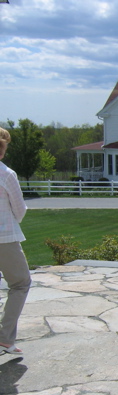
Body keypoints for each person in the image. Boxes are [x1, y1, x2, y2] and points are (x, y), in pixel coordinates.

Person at [0, 127, 31, 355]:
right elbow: (19, 208)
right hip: (4, 238)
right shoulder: (6, 174)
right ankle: (4, 337)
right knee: (20, 283)